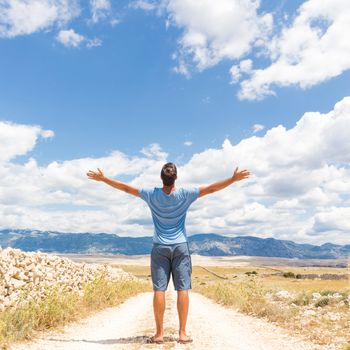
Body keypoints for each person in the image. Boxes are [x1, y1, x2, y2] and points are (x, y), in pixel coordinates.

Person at [86, 162, 250, 344]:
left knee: (159, 289)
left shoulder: (151, 194)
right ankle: (182, 333)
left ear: (161, 178)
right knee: (183, 288)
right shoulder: (185, 194)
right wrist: (233, 179)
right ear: (176, 178)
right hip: (180, 246)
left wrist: (104, 179)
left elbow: (125, 188)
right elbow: (211, 189)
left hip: (159, 247)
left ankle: (159, 334)